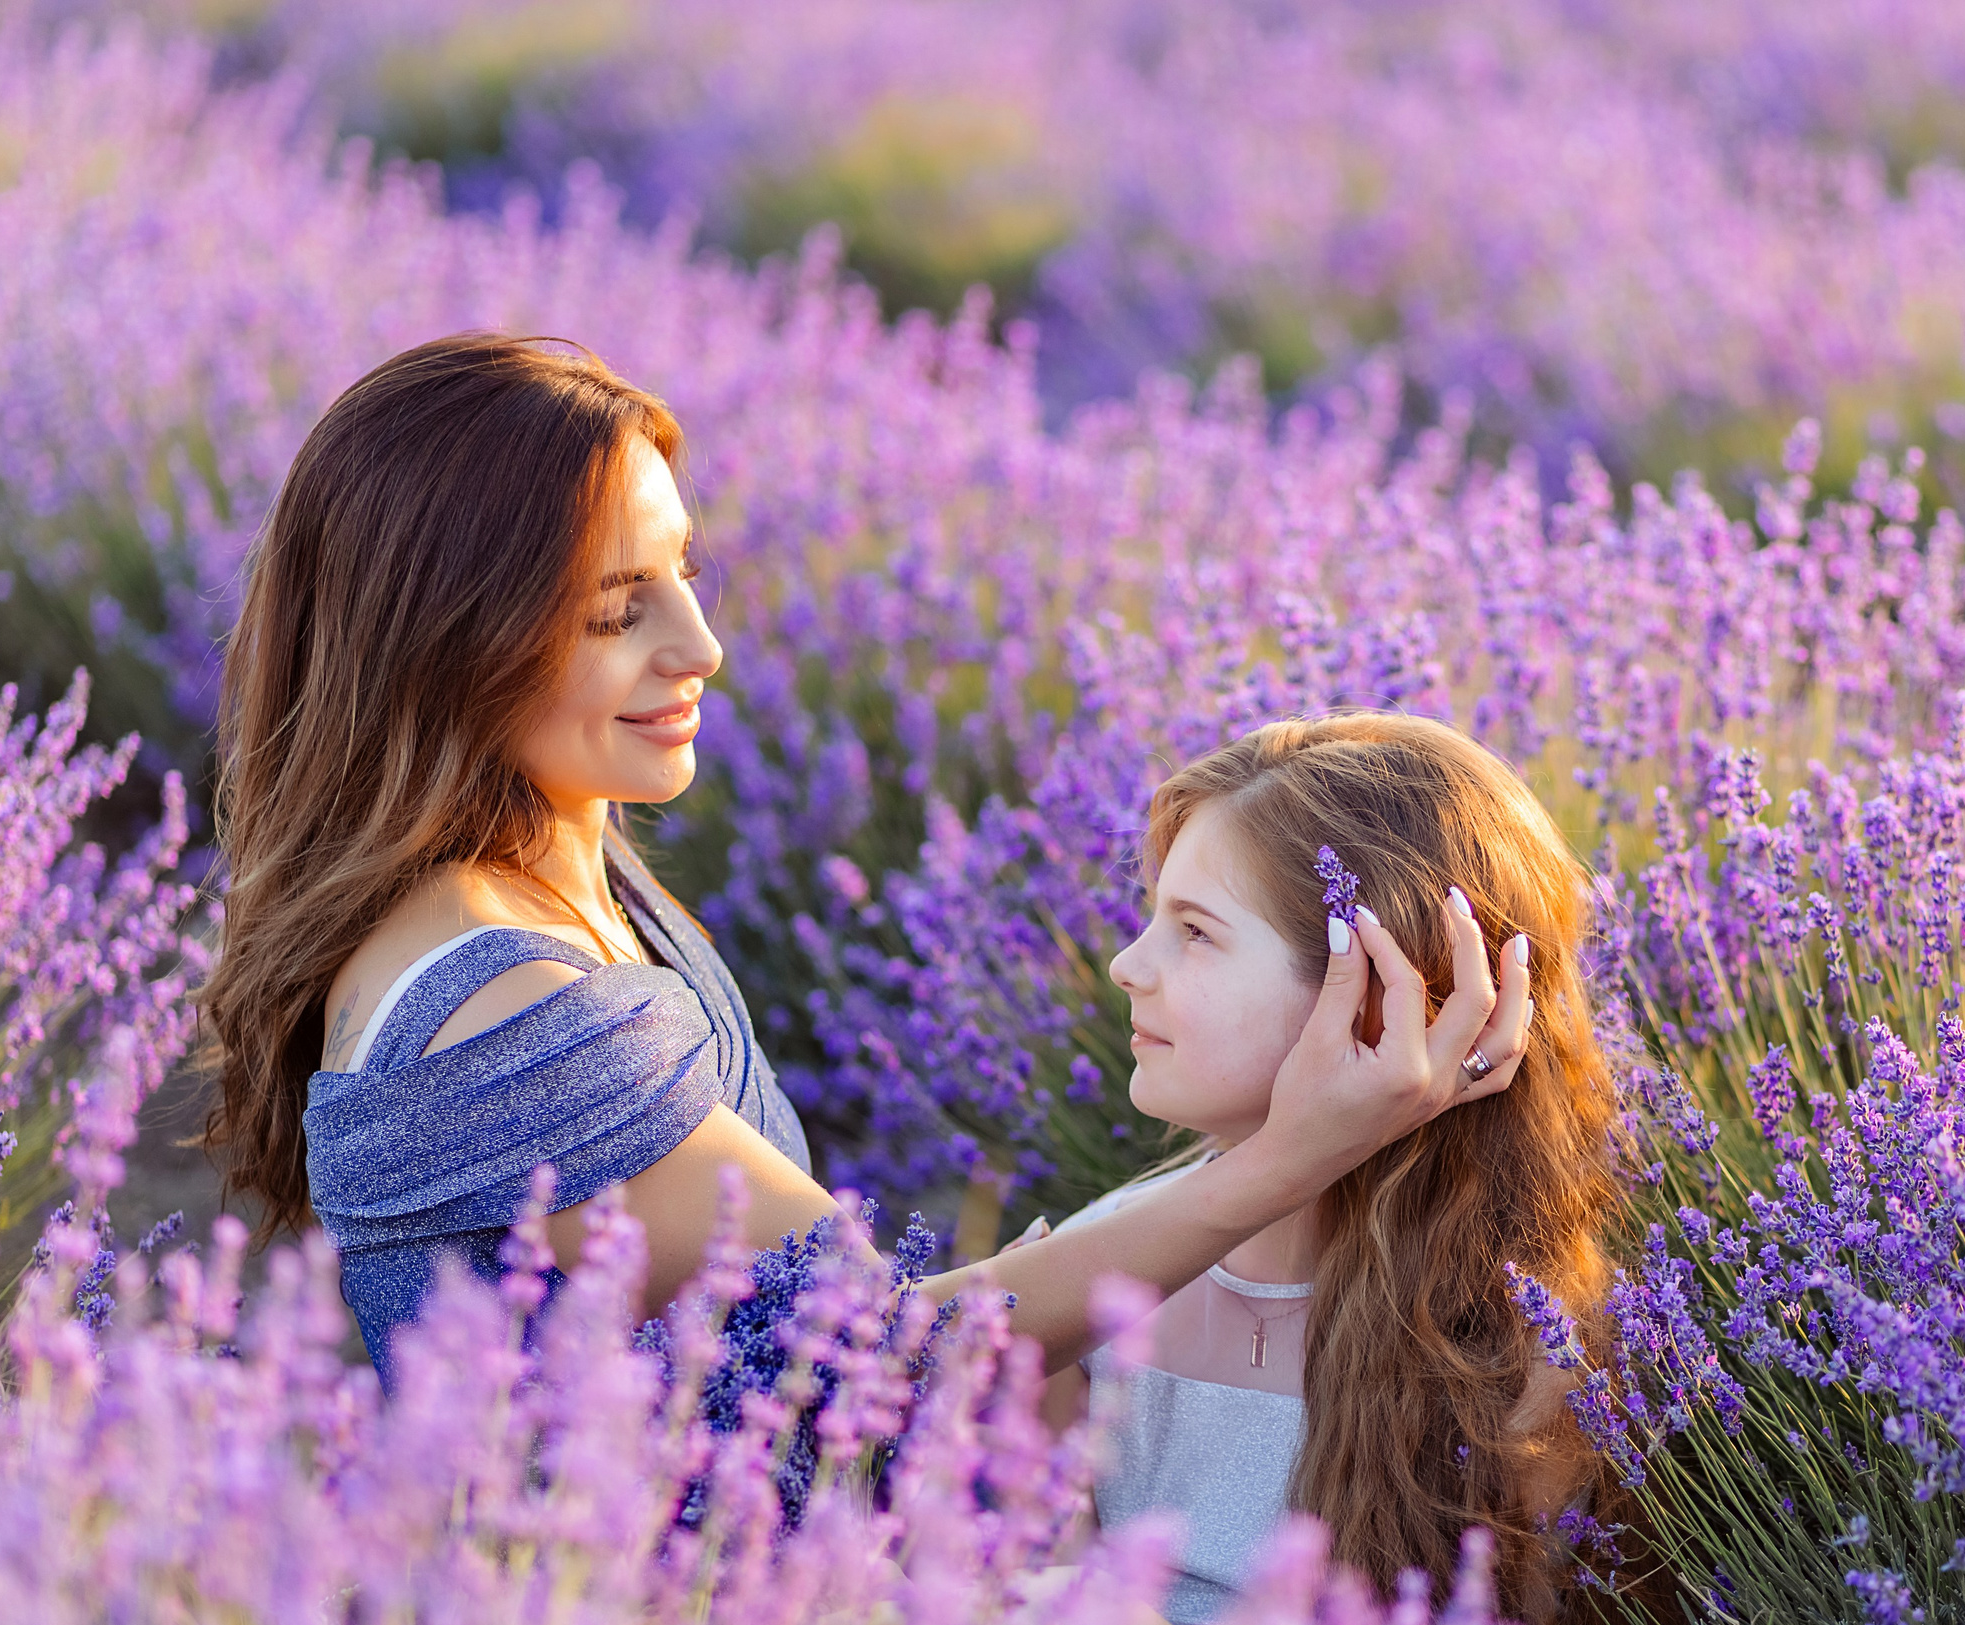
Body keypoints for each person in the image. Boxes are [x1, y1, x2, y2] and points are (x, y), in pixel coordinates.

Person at [196, 333, 1531, 1389]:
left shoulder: (556, 867)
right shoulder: (501, 1009)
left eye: (683, 572)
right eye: (617, 610)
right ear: (449, 639)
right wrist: (1286, 1154)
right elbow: (885, 1356)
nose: (699, 643)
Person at [1043, 713, 1628, 1625]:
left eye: (1193, 933)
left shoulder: (1518, 1351)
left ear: (1373, 994)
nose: (1128, 966)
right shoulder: (1091, 1272)